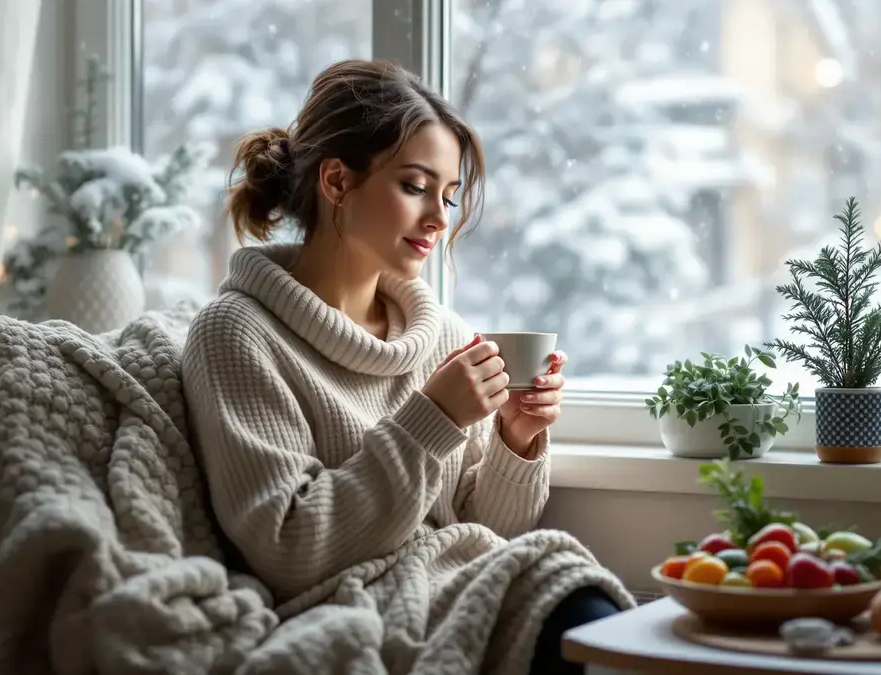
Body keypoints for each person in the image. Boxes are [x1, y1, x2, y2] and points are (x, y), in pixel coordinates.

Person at [181, 59, 633, 675]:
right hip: (355, 606)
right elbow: (288, 548)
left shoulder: (441, 335)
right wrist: (434, 419)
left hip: (474, 582)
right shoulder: (238, 335)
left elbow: (488, 530)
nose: (440, 220)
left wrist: (515, 439)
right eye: (416, 187)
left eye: (447, 196)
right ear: (337, 182)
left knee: (596, 618)